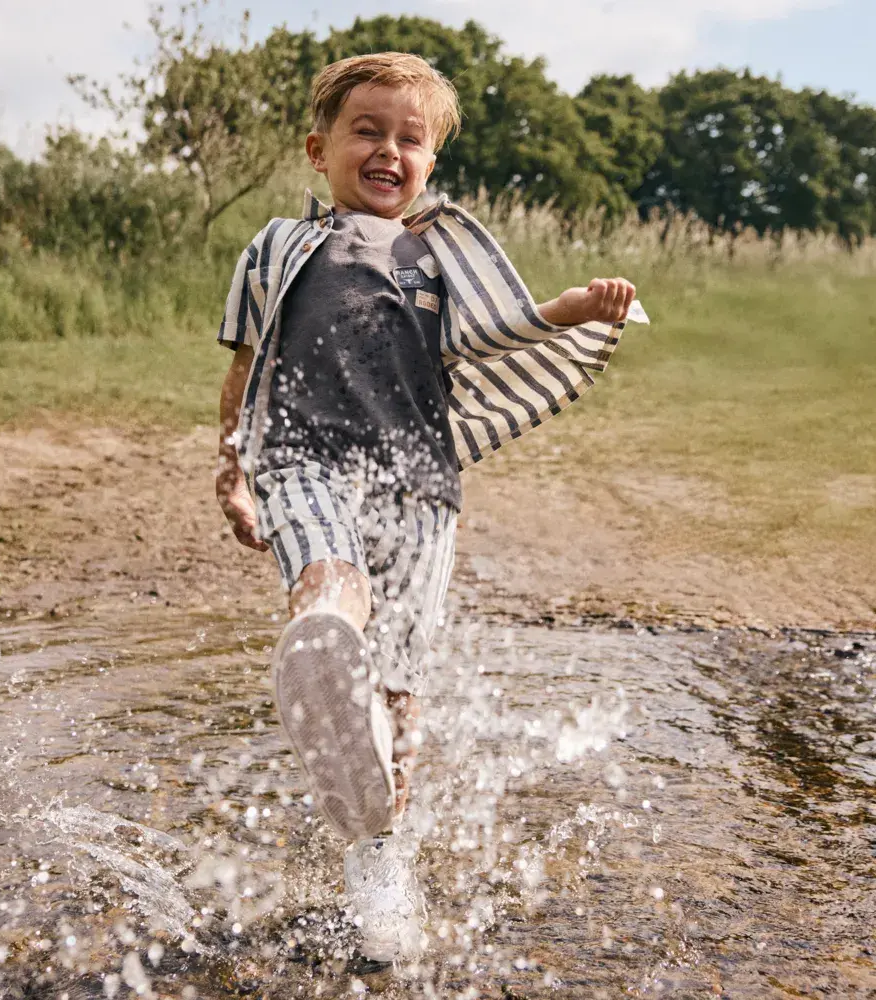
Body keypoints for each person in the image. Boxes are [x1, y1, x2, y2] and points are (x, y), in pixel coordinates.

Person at [215, 52, 643, 964]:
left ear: (430, 164)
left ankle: (380, 858)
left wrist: (575, 306)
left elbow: (507, 326)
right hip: (303, 462)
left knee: (402, 691)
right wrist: (233, 471)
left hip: (420, 487)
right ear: (318, 149)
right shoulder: (276, 249)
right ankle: (326, 642)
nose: (388, 150)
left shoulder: (439, 256)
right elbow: (244, 370)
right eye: (366, 131)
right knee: (332, 583)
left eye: (410, 139)